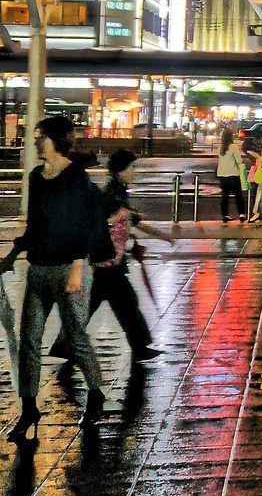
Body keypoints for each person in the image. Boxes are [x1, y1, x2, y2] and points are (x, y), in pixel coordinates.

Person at [1, 114, 111, 442]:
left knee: (75, 337)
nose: (35, 142)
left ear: (55, 140)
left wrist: (78, 266)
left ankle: (95, 394)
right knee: (28, 342)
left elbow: (86, 223)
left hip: (69, 270)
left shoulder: (76, 177)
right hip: (38, 269)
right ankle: (29, 408)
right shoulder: (37, 176)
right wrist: (11, 255)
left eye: (40, 137)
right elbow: (36, 224)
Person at [87, 148, 169, 363]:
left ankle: (66, 344)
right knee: (127, 305)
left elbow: (126, 223)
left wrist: (158, 235)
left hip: (111, 260)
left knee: (98, 305)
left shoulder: (118, 190)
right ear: (122, 170)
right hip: (109, 261)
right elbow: (109, 222)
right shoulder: (112, 193)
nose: (135, 171)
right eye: (133, 167)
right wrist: (128, 218)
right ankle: (141, 347)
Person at [215, 126, 246, 223]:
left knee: (225, 195)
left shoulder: (220, 148)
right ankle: (241, 213)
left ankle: (224, 215)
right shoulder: (233, 147)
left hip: (222, 175)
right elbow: (239, 161)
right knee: (238, 195)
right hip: (233, 174)